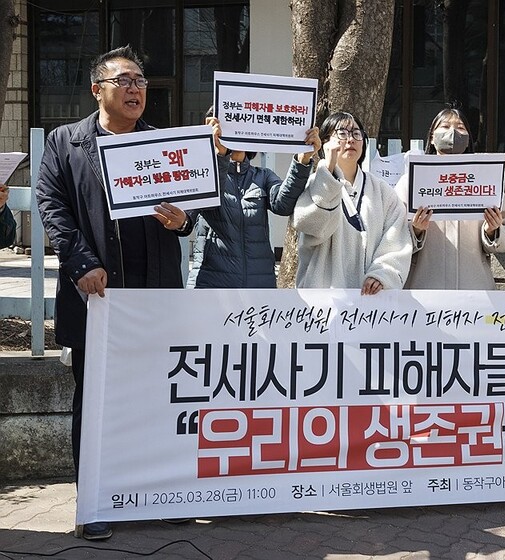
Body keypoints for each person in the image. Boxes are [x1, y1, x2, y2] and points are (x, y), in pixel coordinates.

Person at [36, 46, 193, 541]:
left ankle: (158, 494)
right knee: (97, 400)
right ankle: (95, 500)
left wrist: (181, 220)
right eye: (124, 80)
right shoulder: (66, 143)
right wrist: (81, 263)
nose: (135, 89)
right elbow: (52, 206)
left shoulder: (161, 144)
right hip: (96, 295)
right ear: (96, 89)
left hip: (153, 298)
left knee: (157, 396)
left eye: (141, 82)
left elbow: (191, 209)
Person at [187, 108, 320, 288]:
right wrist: (220, 156)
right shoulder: (204, 174)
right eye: (228, 125)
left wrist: (303, 159)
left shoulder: (262, 176)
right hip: (211, 286)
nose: (237, 131)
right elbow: (191, 213)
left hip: (258, 286)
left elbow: (283, 205)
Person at [395, 108, 505, 289]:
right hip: (424, 289)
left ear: (468, 139)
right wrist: (416, 230)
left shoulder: (486, 180)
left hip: (475, 289)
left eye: (460, 127)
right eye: (445, 126)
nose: (453, 132)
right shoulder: (411, 181)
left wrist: (492, 230)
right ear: (431, 137)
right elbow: (392, 233)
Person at [292, 112, 411, 292]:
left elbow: (396, 240)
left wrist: (382, 274)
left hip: (371, 300)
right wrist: (328, 173)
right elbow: (311, 227)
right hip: (323, 298)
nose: (351, 140)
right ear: (325, 142)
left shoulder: (382, 192)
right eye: (342, 133)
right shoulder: (313, 185)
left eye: (356, 133)